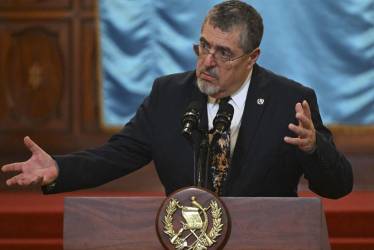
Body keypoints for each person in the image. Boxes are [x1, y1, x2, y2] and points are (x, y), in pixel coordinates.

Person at [1, 0, 352, 198]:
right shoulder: (169, 95)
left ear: (253, 57)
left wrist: (314, 148)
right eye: (204, 46)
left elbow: (338, 187)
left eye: (224, 53)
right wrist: (59, 168)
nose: (207, 62)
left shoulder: (290, 102)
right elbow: (116, 155)